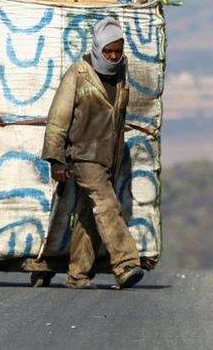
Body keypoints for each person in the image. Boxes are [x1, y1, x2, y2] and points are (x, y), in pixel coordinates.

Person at [42, 17, 145, 290]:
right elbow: (58, 118)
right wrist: (56, 159)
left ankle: (78, 274)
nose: (112, 56)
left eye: (117, 51)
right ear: (98, 48)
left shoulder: (120, 74)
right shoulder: (79, 74)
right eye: (108, 51)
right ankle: (125, 264)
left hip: (108, 157)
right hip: (83, 155)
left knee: (89, 214)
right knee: (106, 205)